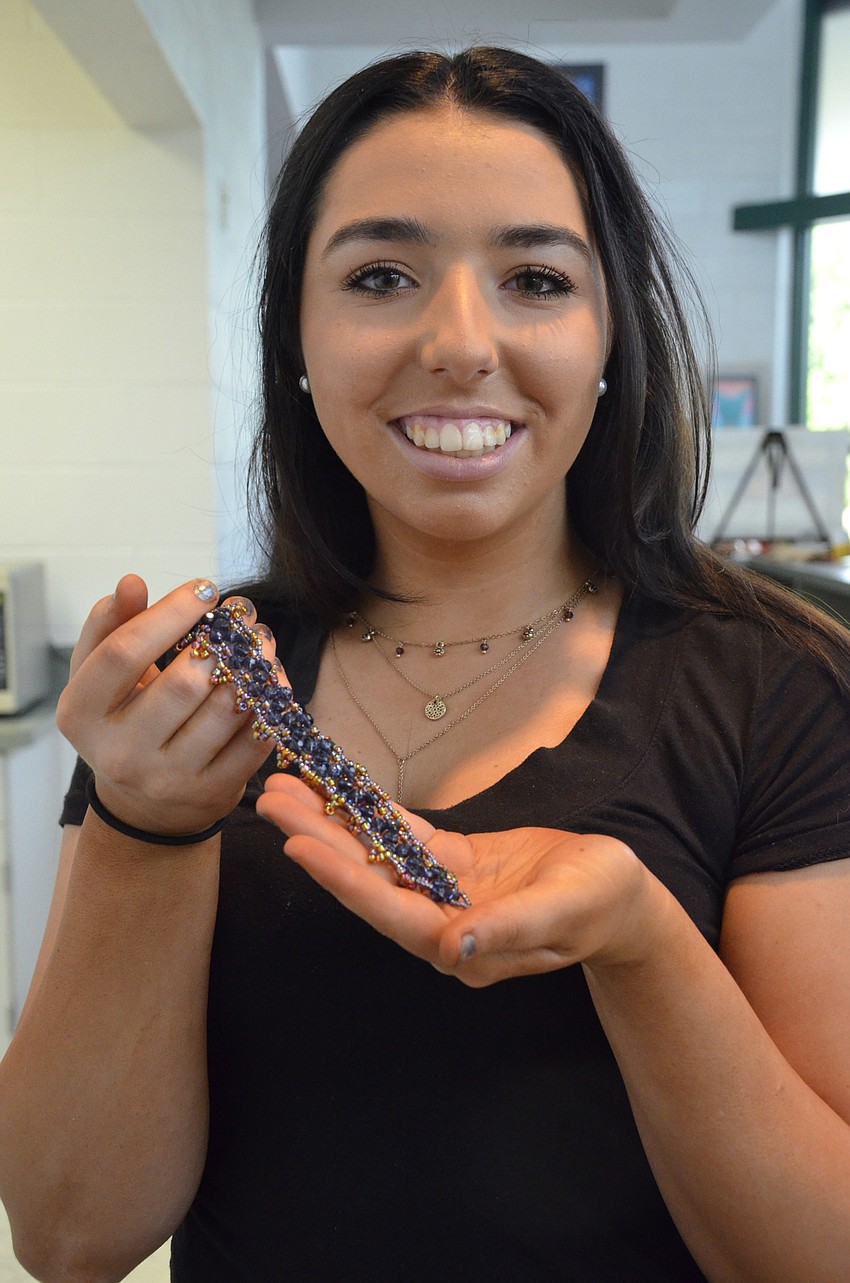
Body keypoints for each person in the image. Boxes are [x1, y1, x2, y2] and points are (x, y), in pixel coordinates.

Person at [1, 45, 850, 1283]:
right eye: (382, 275)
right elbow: (72, 1233)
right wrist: (142, 829)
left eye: (535, 278)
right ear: (295, 333)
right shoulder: (191, 697)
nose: (460, 341)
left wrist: (639, 937)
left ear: (609, 331)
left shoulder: (777, 693)